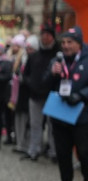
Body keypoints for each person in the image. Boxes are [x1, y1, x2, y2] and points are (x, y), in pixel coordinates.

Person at [43, 25, 88, 181]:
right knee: (62, 152)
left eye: (70, 42)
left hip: (82, 114)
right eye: (63, 43)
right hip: (60, 112)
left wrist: (81, 95)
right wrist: (52, 74)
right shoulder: (58, 59)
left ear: (79, 43)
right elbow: (44, 83)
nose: (66, 46)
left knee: (84, 153)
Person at [24, 25, 60, 161]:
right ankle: (34, 149)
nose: (45, 38)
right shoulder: (34, 56)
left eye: (48, 35)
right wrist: (30, 83)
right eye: (43, 35)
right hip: (35, 95)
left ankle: (53, 151)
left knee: (53, 126)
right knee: (35, 124)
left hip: (52, 96)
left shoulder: (58, 55)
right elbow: (26, 73)